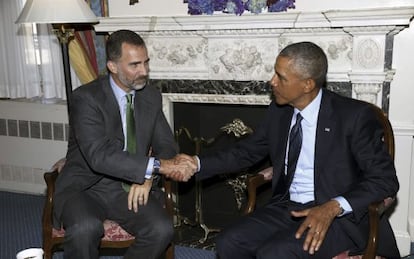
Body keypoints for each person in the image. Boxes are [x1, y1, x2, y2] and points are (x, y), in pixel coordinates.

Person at [175, 41, 400, 258]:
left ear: (307, 84)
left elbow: (385, 180)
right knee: (229, 242)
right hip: (288, 207)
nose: (272, 82)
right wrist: (197, 163)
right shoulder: (280, 111)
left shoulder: (353, 117)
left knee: (275, 252)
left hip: (338, 218)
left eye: (281, 77)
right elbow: (246, 152)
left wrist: (333, 207)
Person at [53, 29, 195, 259]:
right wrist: (154, 167)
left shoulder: (150, 96)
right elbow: (99, 156)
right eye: (135, 65)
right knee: (85, 228)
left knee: (161, 229)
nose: (144, 71)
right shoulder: (86, 98)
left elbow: (167, 145)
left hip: (128, 188)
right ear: (112, 66)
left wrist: (147, 178)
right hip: (87, 188)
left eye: (146, 63)